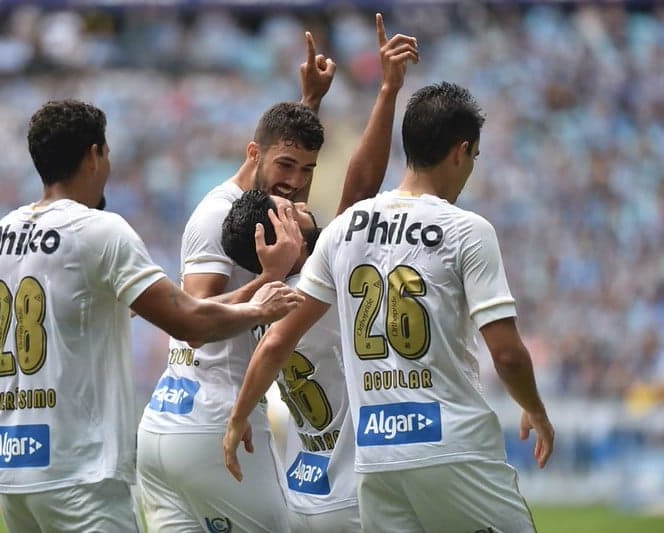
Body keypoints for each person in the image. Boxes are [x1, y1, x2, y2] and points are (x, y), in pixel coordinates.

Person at [224, 82, 556, 532]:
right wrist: (534, 407)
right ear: (461, 152)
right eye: (474, 158)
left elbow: (278, 339)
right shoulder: (467, 230)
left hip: (377, 459)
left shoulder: (342, 232)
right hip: (452, 446)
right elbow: (508, 354)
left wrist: (238, 416)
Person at [0, 99, 303, 533]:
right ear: (94, 154)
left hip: (14, 473)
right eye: (107, 152)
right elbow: (190, 323)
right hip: (82, 473)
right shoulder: (98, 230)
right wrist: (264, 296)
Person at [220, 14, 418, 532]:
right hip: (352, 492)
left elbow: (286, 177)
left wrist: (308, 103)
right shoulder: (314, 277)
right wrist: (387, 91)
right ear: (275, 242)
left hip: (307, 481)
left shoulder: (263, 291)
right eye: (292, 214)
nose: (303, 203)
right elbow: (361, 190)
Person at [135, 32, 338, 533]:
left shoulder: (264, 208)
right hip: (213, 421)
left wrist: (308, 101)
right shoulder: (217, 215)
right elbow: (193, 321)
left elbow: (283, 153)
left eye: (307, 169)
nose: (294, 181)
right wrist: (267, 280)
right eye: (285, 166)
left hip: (168, 426)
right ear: (253, 153)